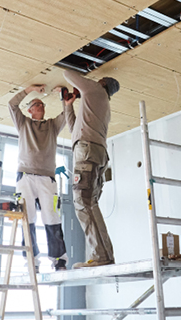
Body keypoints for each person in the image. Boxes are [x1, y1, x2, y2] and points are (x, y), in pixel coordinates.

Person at [62, 69, 120, 268]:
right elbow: (73, 129)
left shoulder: (96, 90)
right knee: (89, 203)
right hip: (92, 152)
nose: (96, 79)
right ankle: (104, 255)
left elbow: (67, 73)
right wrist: (68, 105)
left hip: (87, 152)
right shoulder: (98, 103)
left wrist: (79, 88)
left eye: (99, 79)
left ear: (103, 83)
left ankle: (101, 256)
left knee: (83, 203)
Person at [8, 84, 68, 271]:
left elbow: (66, 115)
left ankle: (59, 260)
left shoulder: (52, 125)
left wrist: (64, 97)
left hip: (46, 177)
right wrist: (29, 90)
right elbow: (11, 105)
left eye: (42, 105)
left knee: (51, 217)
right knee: (28, 218)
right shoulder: (23, 123)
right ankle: (31, 261)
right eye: (36, 104)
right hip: (25, 175)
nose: (41, 106)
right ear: (30, 109)